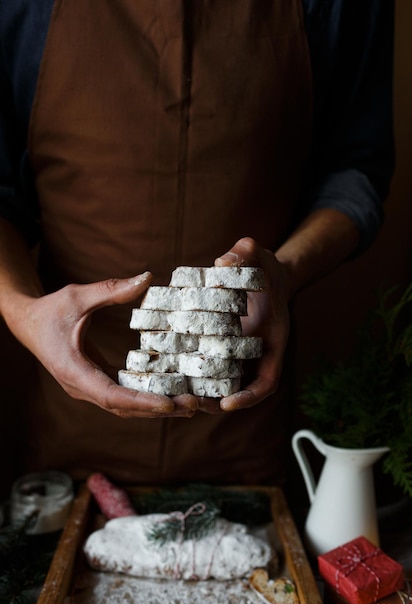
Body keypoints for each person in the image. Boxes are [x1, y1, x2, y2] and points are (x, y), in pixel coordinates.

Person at [0, 1, 394, 488]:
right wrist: (22, 311)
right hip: (69, 432)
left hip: (245, 425)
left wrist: (286, 272)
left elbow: (355, 169)